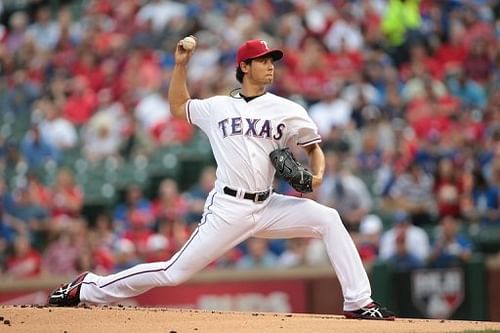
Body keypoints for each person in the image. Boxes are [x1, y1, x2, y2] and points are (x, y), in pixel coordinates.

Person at [48, 38, 395, 320]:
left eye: (272, 59)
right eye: (262, 60)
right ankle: (89, 287)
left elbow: (314, 147)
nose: (270, 65)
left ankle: (358, 301)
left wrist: (317, 176)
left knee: (328, 218)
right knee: (173, 272)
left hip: (269, 204)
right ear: (244, 66)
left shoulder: (289, 110)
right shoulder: (216, 107)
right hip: (228, 207)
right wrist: (181, 65)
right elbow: (177, 107)